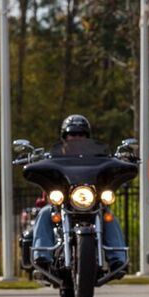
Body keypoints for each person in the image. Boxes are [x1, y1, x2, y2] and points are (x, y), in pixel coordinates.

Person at [32, 114, 128, 273]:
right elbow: (42, 166)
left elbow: (110, 164)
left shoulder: (98, 158)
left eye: (81, 134)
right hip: (64, 203)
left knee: (108, 216)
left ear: (87, 137)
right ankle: (42, 256)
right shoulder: (54, 157)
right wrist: (33, 160)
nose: (77, 138)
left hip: (90, 202)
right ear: (65, 137)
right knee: (44, 213)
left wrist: (124, 159)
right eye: (72, 134)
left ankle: (118, 260)